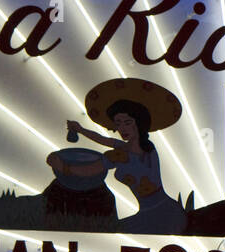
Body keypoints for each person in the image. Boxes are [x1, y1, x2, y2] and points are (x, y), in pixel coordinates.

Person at [60, 78, 189, 234]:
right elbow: (105, 140)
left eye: (127, 122)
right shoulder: (144, 147)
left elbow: (87, 171)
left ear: (139, 123)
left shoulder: (122, 154)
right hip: (162, 210)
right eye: (118, 123)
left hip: (160, 216)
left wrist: (60, 165)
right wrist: (81, 130)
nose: (122, 128)